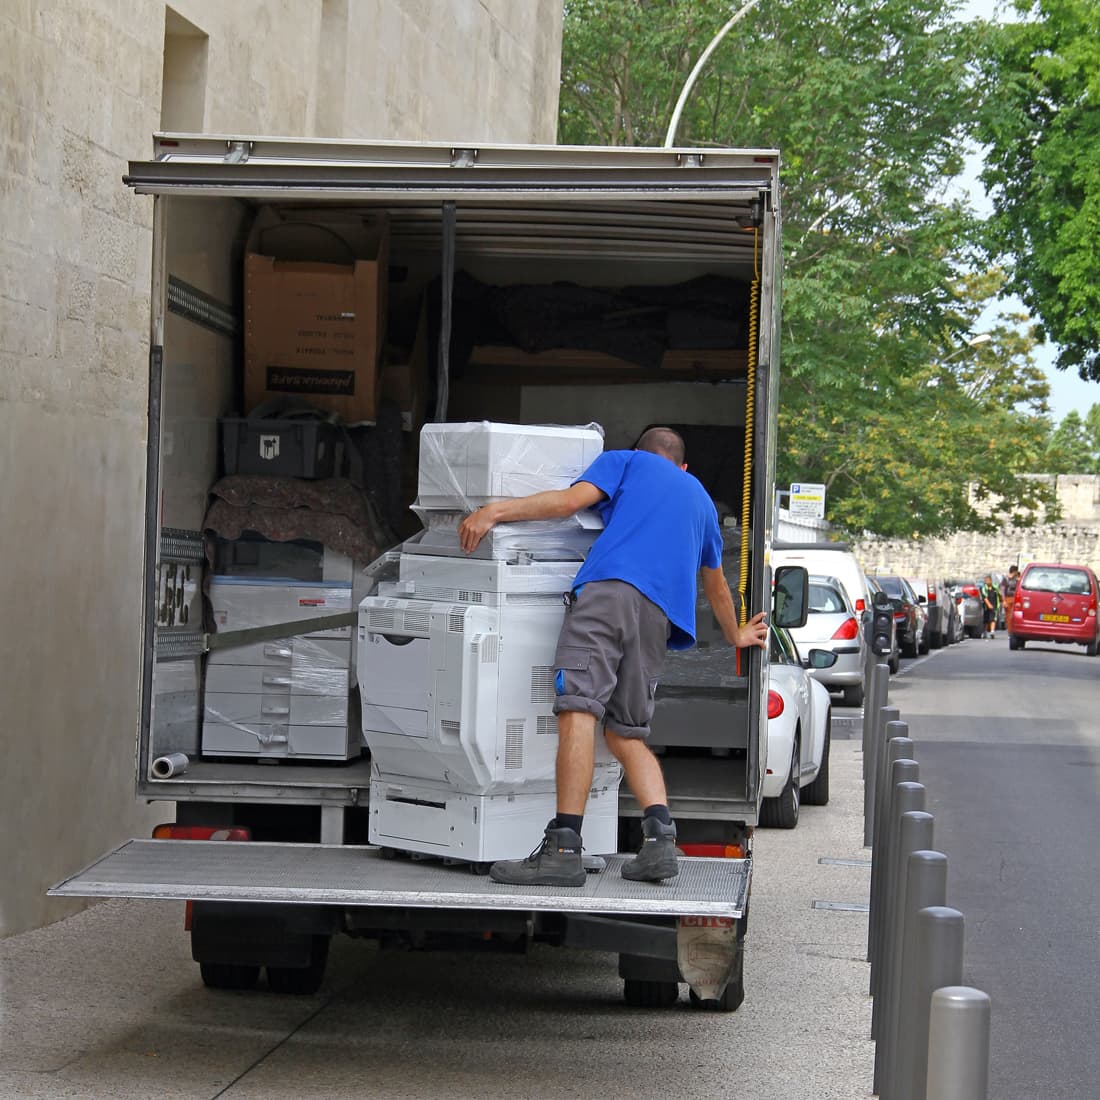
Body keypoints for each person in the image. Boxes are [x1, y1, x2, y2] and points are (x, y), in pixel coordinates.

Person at [456, 427, 769, 887]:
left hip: (608, 596)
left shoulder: (626, 462)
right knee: (627, 732)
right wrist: (736, 634)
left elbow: (567, 503)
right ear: (683, 466)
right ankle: (660, 842)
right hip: (658, 618)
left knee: (578, 710)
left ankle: (563, 848)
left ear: (644, 454)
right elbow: (716, 583)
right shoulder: (701, 499)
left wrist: (492, 511)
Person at [1000, 564, 1020, 635]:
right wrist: (1004, 601)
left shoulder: (1017, 579)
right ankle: (1010, 632)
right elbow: (1002, 590)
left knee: (1014, 616)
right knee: (1008, 616)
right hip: (1008, 598)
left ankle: (1014, 631)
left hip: (1015, 598)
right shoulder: (1005, 579)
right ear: (1014, 571)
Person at [979, 574, 1000, 639]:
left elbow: (999, 595)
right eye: (986, 580)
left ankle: (992, 631)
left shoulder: (995, 588)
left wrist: (1001, 601)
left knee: (993, 619)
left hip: (994, 605)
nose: (987, 581)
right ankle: (985, 632)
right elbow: (984, 597)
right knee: (986, 620)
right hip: (986, 606)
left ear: (991, 581)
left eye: (989, 580)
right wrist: (988, 604)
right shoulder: (984, 588)